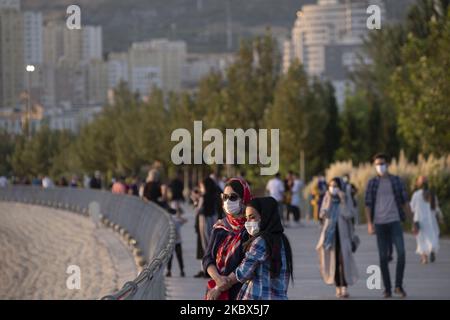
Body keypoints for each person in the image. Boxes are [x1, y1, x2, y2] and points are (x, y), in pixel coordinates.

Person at [208, 196, 293, 300]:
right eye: (247, 218)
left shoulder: (261, 241)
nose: (248, 223)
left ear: (264, 216)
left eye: (252, 217)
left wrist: (218, 288)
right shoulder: (282, 240)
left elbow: (243, 272)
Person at [365, 153, 412, 298]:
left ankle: (398, 285)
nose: (381, 166)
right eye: (378, 164)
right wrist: (369, 223)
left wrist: (412, 222)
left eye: (383, 163)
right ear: (374, 166)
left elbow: (405, 202)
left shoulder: (396, 180)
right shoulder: (372, 183)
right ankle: (387, 288)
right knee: (383, 257)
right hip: (379, 223)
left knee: (402, 253)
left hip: (395, 221)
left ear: (387, 165)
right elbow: (367, 205)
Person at [202, 177, 252, 299]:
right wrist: (218, 279)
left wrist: (221, 286)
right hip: (216, 291)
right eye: (225, 197)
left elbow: (247, 265)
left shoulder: (251, 229)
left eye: (233, 197)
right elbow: (207, 259)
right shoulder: (220, 227)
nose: (228, 201)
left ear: (244, 199)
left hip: (241, 292)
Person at [316, 177, 359, 298]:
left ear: (340, 187)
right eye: (331, 186)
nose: (333, 188)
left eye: (335, 186)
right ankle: (338, 287)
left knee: (343, 261)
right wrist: (329, 202)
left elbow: (349, 214)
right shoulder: (327, 197)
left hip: (344, 235)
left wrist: (343, 200)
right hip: (331, 236)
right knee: (333, 263)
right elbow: (322, 214)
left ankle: (344, 287)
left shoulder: (345, 198)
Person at [193, 177, 221, 278]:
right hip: (213, 221)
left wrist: (196, 201)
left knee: (205, 246)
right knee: (212, 245)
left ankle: (207, 269)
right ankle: (210, 269)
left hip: (204, 222)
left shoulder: (203, 197)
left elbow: (198, 210)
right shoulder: (215, 196)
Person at [411, 176, 443, 264]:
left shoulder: (416, 195)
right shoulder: (432, 195)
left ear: (419, 184)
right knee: (433, 236)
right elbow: (436, 207)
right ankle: (432, 250)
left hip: (419, 220)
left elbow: (412, 208)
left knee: (421, 239)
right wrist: (440, 217)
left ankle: (424, 258)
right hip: (431, 221)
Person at [166, 210, 187, 277]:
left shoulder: (175, 221)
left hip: (177, 242)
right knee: (171, 257)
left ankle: (181, 271)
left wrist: (179, 217)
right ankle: (169, 271)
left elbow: (185, 220)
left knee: (178, 256)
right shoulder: (167, 223)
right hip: (172, 242)